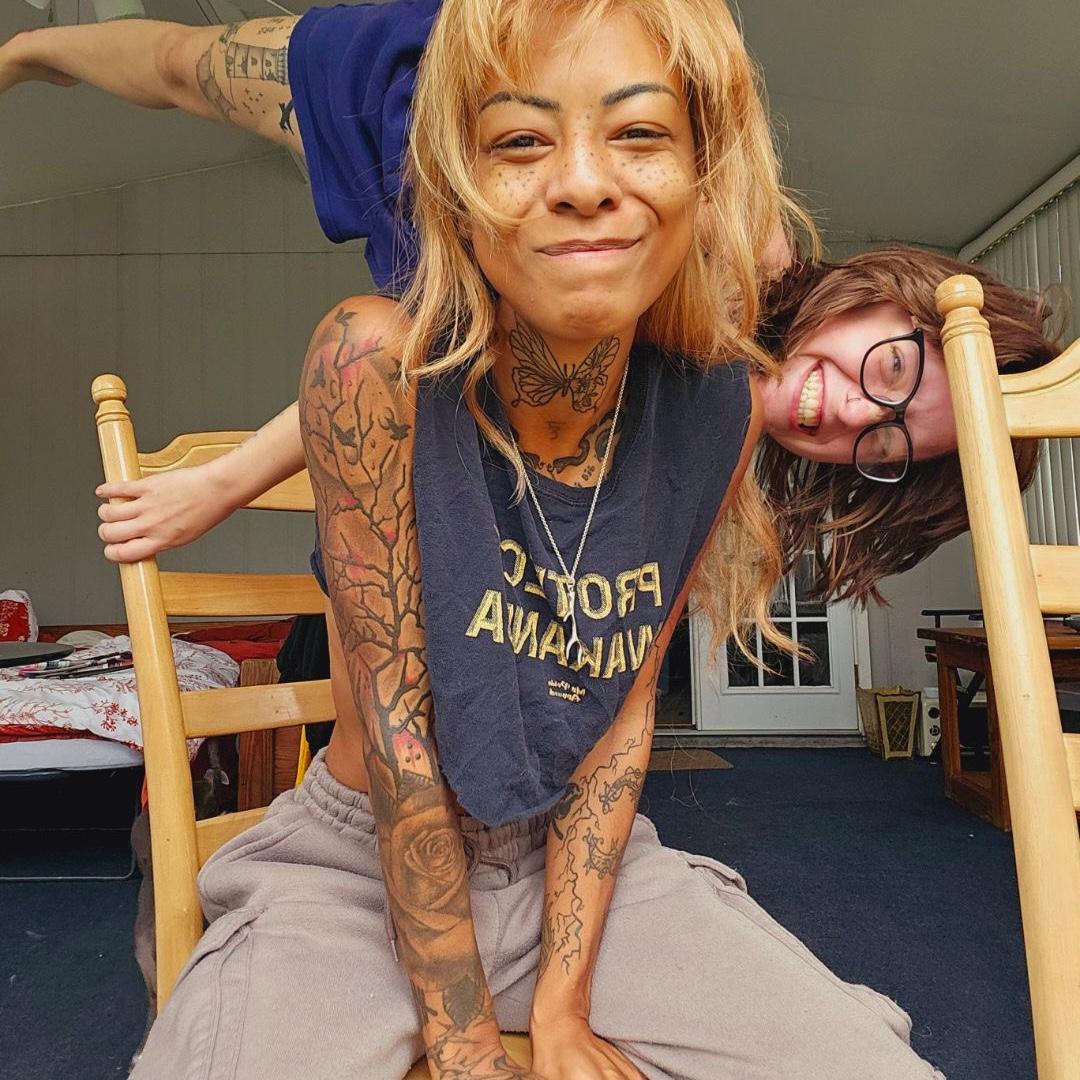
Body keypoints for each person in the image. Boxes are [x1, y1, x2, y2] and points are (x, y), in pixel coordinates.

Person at [121, 1, 951, 1078]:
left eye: (640, 134)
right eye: (520, 141)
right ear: (452, 188)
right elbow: (402, 737)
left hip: (577, 875)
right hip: (358, 867)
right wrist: (467, 1046)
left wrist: (563, 1004)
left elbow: (624, 716)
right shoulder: (370, 358)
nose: (584, 181)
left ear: (706, 178)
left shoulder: (720, 408)